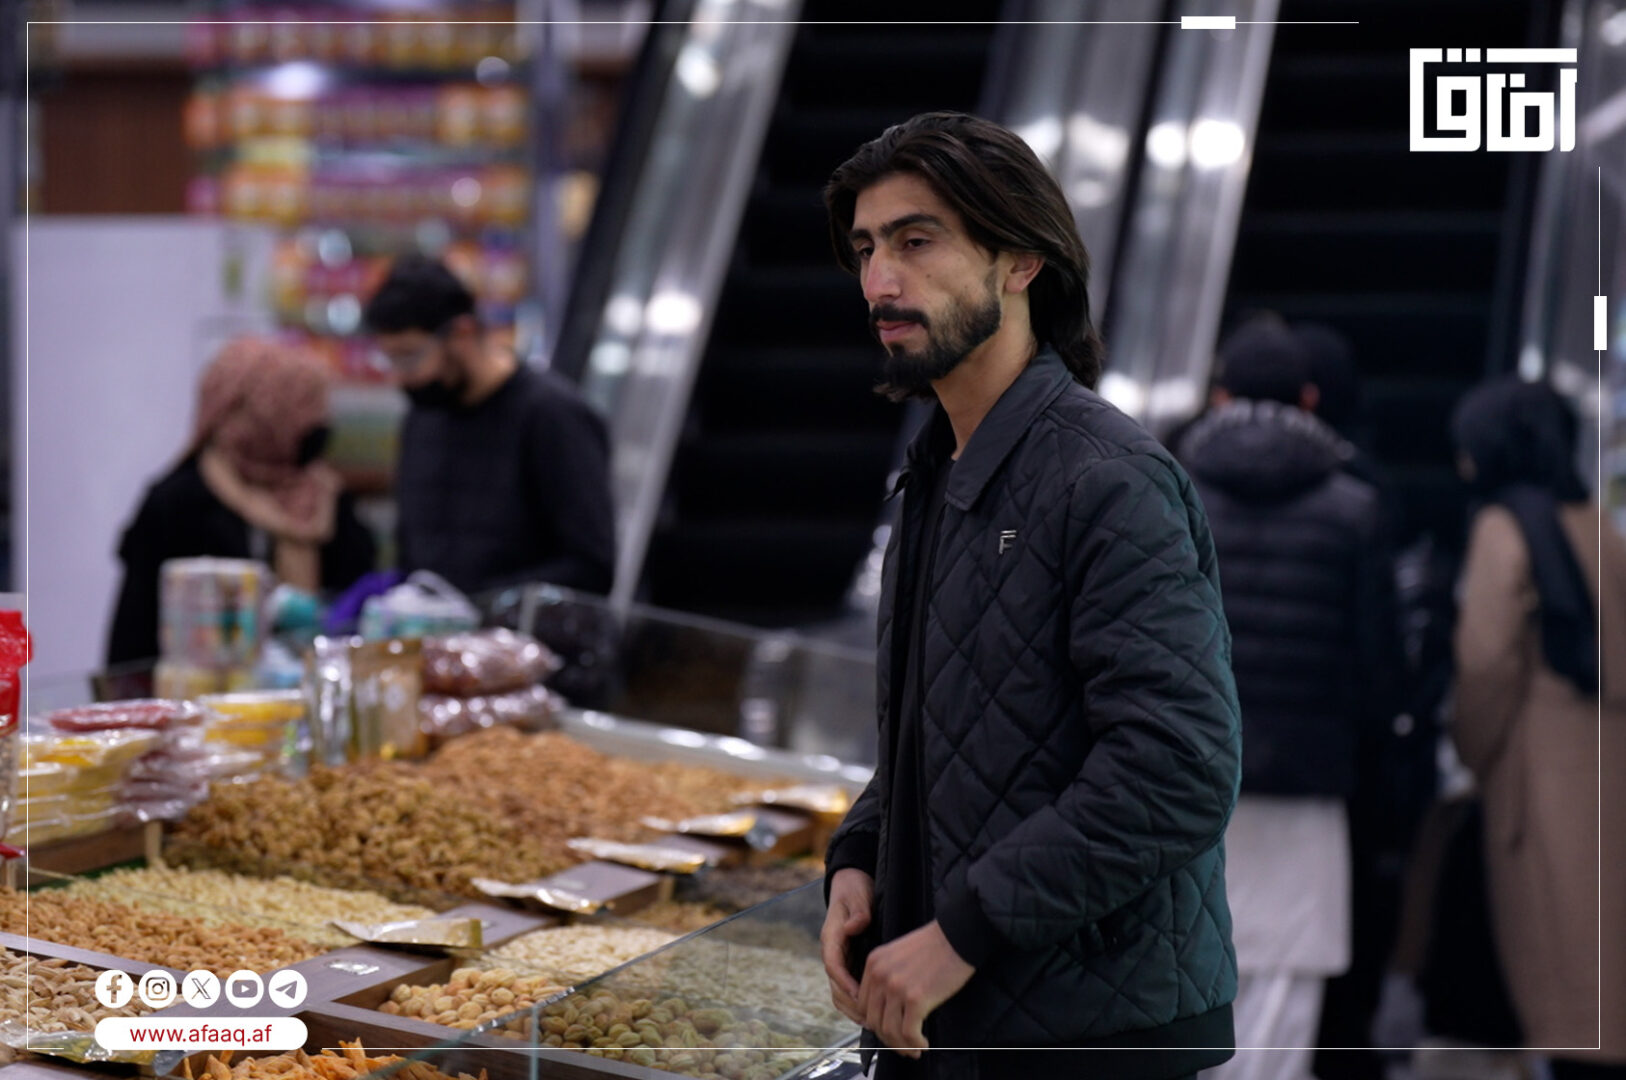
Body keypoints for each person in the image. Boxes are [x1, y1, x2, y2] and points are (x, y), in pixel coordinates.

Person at [818, 111, 1242, 1080]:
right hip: (968, 1022)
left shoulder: (1107, 478)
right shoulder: (940, 470)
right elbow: (951, 725)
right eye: (868, 249)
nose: (880, 282)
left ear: (1021, 261)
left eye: (916, 242)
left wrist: (964, 930)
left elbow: (1177, 767)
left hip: (1089, 1037)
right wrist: (861, 855)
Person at [1176, 318, 1404, 1080]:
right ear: (1309, 400)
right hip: (1307, 777)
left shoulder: (1167, 492)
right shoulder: (1355, 507)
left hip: (1182, 772)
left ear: (1221, 396)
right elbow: (1378, 667)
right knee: (1285, 975)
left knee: (1178, 955)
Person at [1448, 376, 1625, 1077]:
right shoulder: (1600, 527)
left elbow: (1486, 664)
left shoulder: (1504, 529)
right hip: (1608, 775)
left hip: (1539, 783)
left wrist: (1470, 749)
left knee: (1560, 988)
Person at [107, 337, 376, 665]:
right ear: (257, 417)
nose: (317, 426)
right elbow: (133, 640)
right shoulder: (179, 503)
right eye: (299, 410)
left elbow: (359, 606)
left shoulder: (325, 497)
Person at [362, 255, 614, 597]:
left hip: (523, 631)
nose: (401, 376)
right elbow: (413, 554)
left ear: (463, 333)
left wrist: (482, 606)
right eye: (389, 359)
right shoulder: (424, 416)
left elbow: (591, 565)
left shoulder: (552, 416)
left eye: (410, 356)